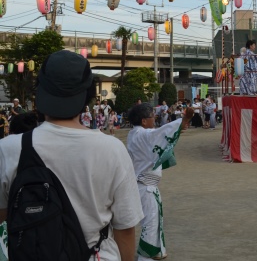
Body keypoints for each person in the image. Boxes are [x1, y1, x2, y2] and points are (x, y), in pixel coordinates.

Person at [0, 50, 143, 260]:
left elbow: (5, 217)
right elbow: (125, 228)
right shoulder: (112, 149)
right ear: (88, 95)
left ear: (40, 92)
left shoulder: (9, 148)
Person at [127, 104, 194, 261]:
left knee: (151, 221)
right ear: (144, 121)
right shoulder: (144, 135)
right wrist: (182, 120)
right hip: (146, 186)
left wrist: (178, 129)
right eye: (152, 116)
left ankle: (156, 251)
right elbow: (159, 135)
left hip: (138, 184)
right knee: (150, 222)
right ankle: (145, 257)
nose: (154, 118)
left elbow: (159, 137)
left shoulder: (133, 134)